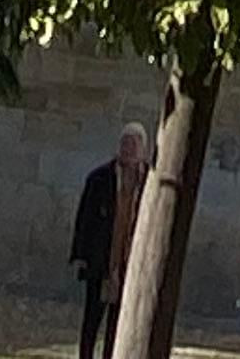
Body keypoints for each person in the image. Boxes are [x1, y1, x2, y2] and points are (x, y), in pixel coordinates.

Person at [73, 126, 149, 359]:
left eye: (133, 144)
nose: (128, 149)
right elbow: (85, 219)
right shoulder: (100, 179)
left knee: (119, 323)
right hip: (102, 261)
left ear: (142, 149)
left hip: (131, 265)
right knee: (92, 320)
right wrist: (81, 256)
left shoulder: (149, 182)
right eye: (125, 143)